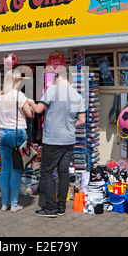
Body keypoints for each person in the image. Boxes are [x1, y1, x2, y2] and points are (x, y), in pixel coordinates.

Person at [28, 69, 86, 217]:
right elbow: (82, 121)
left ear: (58, 78)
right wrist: (69, 126)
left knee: (46, 172)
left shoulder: (52, 90)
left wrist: (29, 101)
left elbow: (39, 109)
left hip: (53, 139)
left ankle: (50, 207)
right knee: (63, 172)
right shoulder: (77, 96)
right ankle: (61, 206)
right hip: (68, 140)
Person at [0, 69, 33, 213]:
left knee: (5, 170)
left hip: (3, 133)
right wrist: (29, 103)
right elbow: (30, 114)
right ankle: (14, 204)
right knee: (16, 170)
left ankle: (4, 203)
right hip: (17, 133)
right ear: (17, 81)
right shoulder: (19, 95)